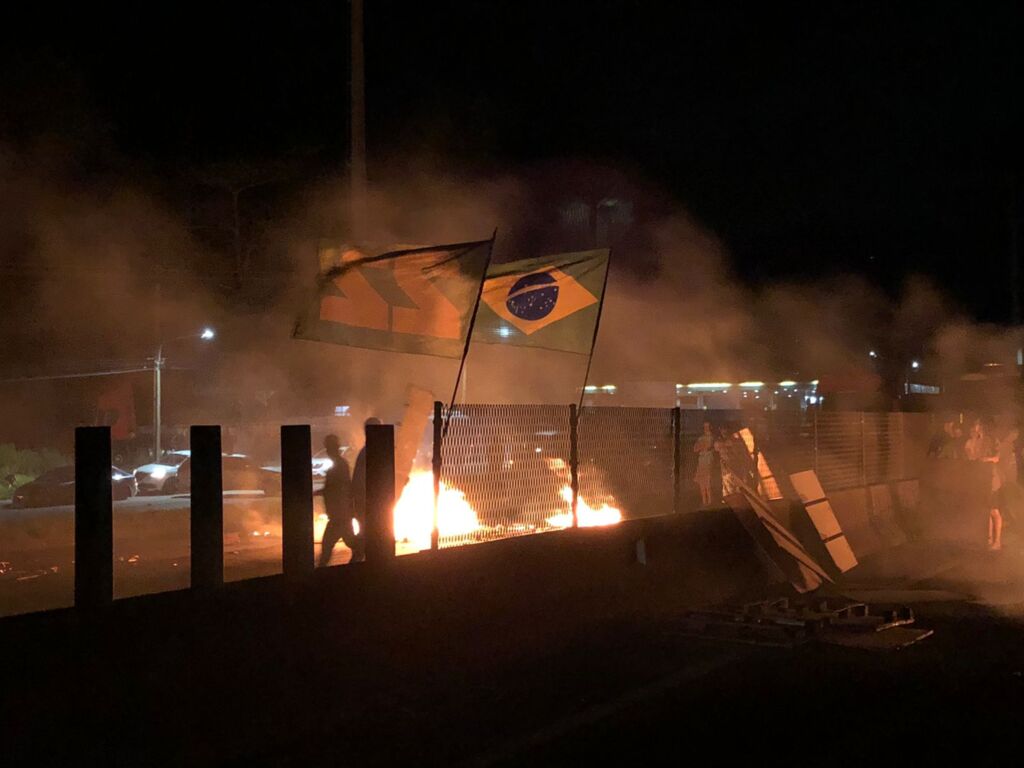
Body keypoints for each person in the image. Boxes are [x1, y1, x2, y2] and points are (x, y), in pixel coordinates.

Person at [316, 434, 356, 567]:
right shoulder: (340, 465)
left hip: (339, 516)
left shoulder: (338, 467)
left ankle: (320, 576)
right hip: (342, 515)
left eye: (329, 448)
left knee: (327, 545)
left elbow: (336, 489)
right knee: (351, 542)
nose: (328, 451)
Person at [693, 421, 716, 506]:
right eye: (705, 426)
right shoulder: (701, 438)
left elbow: (710, 447)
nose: (706, 428)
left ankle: (710, 502)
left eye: (708, 426)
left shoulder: (713, 437)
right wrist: (701, 446)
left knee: (708, 482)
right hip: (701, 462)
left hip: (708, 461)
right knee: (702, 482)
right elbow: (695, 448)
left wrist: (704, 447)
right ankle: (704, 502)